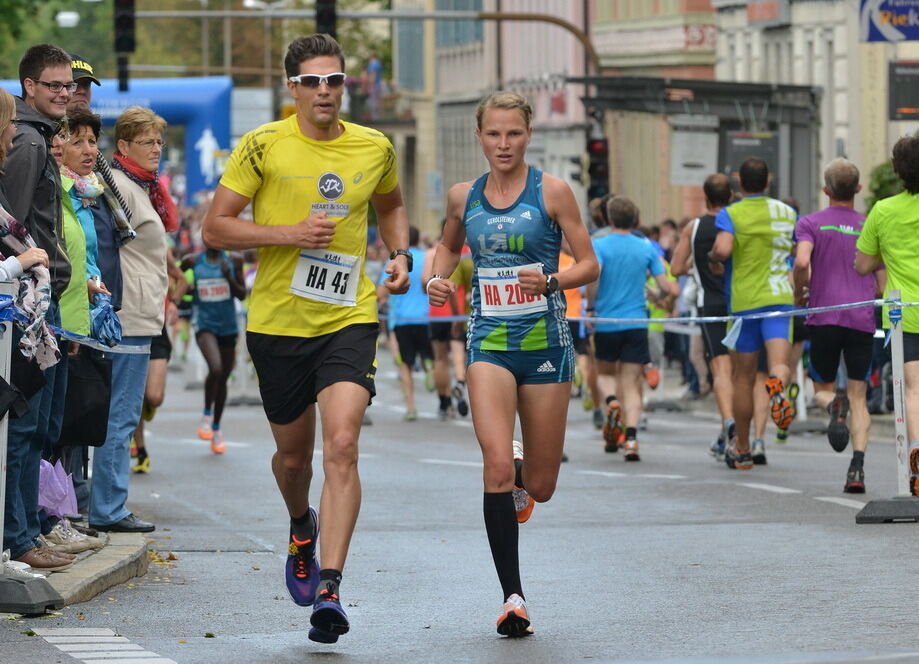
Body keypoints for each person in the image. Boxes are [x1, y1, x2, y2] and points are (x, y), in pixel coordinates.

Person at [201, 34, 411, 644]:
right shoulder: (262, 144)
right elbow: (216, 227)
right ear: (291, 87)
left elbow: (391, 205)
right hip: (277, 323)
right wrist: (289, 233)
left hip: (348, 316)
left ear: (345, 86)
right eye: (313, 81)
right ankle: (301, 524)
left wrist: (399, 252)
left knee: (342, 443)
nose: (326, 91)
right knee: (295, 458)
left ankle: (330, 586)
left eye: (335, 80)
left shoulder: (374, 146)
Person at [427, 91, 598, 637]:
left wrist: (552, 279)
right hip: (489, 344)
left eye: (514, 134)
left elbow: (588, 263)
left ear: (528, 136)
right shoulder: (463, 196)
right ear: (479, 136)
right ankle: (513, 597)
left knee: (541, 486)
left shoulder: (552, 192)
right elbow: (449, 248)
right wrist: (438, 276)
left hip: (546, 344)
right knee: (494, 465)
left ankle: (525, 470)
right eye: (494, 134)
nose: (504, 144)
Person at [1, 45, 76, 573]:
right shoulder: (27, 142)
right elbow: (15, 226)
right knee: (25, 428)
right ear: (29, 87)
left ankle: (29, 530)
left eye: (68, 85)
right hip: (28, 303)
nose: (63, 93)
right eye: (53, 85)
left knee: (39, 428)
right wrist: (33, 276)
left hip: (43, 300)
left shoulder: (35, 136)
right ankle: (21, 537)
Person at [89, 106, 174, 534]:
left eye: (159, 141)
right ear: (123, 146)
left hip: (141, 312)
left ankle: (105, 503)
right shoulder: (120, 187)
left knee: (120, 415)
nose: (156, 148)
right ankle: (107, 508)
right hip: (130, 315)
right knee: (119, 417)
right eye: (147, 141)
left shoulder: (138, 187)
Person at [795, 159, 882, 493]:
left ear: (825, 190)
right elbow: (882, 279)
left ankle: (834, 405)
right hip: (861, 318)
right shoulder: (868, 224)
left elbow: (802, 260)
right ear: (858, 189)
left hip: (825, 316)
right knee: (859, 396)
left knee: (821, 389)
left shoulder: (810, 223)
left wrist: (800, 292)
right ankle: (857, 469)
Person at [710, 157, 796, 469]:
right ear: (768, 181)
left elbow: (722, 249)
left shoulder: (730, 213)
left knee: (743, 378)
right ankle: (776, 386)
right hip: (781, 299)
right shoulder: (787, 212)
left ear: (739, 182)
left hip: (745, 304)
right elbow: (798, 256)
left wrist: (713, 256)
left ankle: (743, 448)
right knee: (778, 365)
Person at [587, 196, 678, 460]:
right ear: (635, 219)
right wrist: (657, 295)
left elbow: (594, 279)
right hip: (637, 321)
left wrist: (592, 307)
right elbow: (665, 286)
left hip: (607, 321)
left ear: (610, 218)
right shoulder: (646, 247)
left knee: (605, 375)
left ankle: (610, 403)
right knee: (631, 382)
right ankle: (632, 440)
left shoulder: (599, 245)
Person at [855, 136, 919, 494]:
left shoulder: (883, 210)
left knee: (914, 391)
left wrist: (888, 253)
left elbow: (862, 264)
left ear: (898, 170)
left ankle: (916, 455)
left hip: (904, 313)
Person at [671, 173, 735, 459]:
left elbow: (674, 269)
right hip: (739, 302)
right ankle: (740, 434)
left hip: (710, 305)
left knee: (721, 370)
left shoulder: (693, 227)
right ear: (731, 197)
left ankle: (728, 425)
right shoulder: (736, 223)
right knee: (742, 372)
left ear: (705, 198)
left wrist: (695, 268)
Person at [181, 247, 245, 452]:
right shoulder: (192, 260)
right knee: (215, 368)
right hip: (204, 324)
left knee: (224, 377)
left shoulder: (234, 260)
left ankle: (216, 429)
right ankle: (207, 415)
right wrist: (188, 291)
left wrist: (229, 277)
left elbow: (242, 294)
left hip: (227, 326)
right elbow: (178, 281)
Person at [376, 225, 430, 421]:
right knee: (428, 353)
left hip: (401, 319)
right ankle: (428, 365)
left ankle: (410, 406)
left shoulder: (395, 262)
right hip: (425, 317)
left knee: (405, 364)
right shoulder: (427, 257)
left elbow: (381, 292)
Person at [423, 223, 472, 420]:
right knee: (459, 356)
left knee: (440, 359)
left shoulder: (432, 253)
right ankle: (460, 382)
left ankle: (444, 403)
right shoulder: (468, 252)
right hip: (457, 313)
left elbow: (424, 280)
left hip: (436, 311)